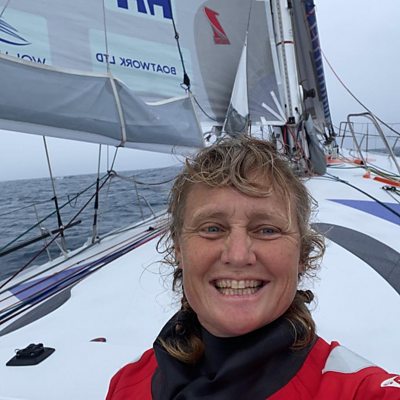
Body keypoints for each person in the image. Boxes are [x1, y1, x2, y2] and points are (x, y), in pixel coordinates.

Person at [106, 136, 400, 399]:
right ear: (179, 249)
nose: (238, 255)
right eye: (212, 228)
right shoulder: (125, 384)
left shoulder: (359, 390)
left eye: (267, 230)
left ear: (301, 255)